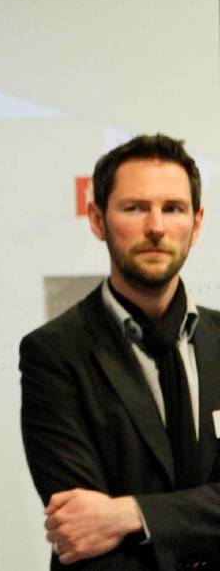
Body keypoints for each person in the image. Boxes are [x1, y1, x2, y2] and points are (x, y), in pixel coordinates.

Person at [20, 134, 220, 570]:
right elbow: (81, 533)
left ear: (197, 223)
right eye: (135, 208)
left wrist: (132, 514)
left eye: (173, 208)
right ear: (97, 220)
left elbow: (108, 526)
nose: (156, 227)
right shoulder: (53, 353)